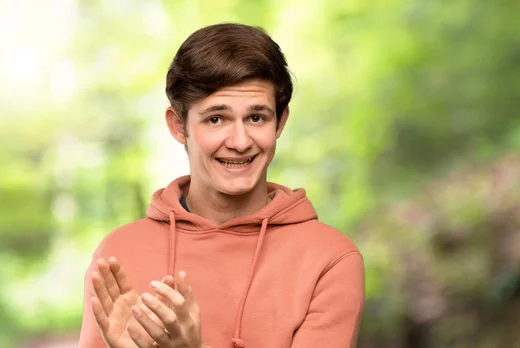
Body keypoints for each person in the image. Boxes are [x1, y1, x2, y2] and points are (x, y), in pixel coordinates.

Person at [77, 23, 365, 348]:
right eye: (216, 119)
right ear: (178, 126)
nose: (240, 142)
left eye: (256, 118)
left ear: (280, 122)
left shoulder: (330, 259)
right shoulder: (119, 254)